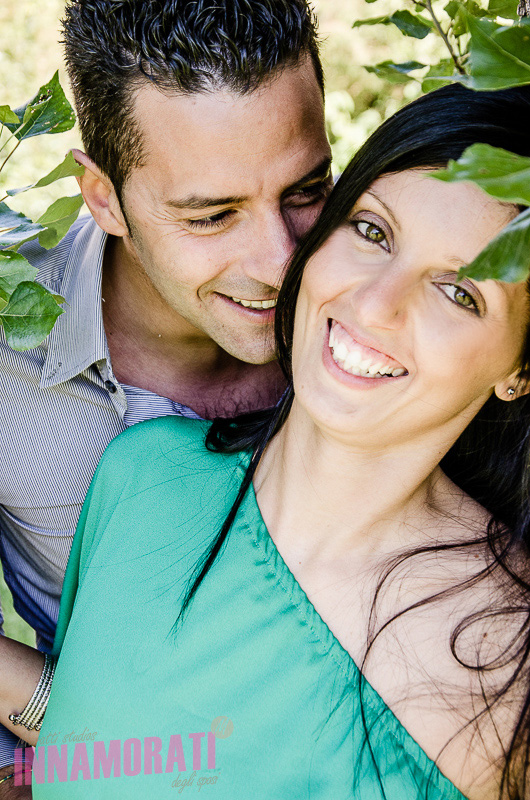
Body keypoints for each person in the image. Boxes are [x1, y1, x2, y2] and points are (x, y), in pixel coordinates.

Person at [3, 81, 530, 799]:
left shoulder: (505, 668)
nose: (374, 305)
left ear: (521, 368)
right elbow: (124, 747)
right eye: (373, 232)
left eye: (460, 291)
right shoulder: (145, 473)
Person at [0, 0, 332, 791]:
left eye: (306, 189)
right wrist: (76, 723)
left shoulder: (389, 299)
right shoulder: (7, 339)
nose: (283, 264)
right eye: (211, 215)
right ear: (103, 196)